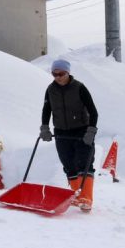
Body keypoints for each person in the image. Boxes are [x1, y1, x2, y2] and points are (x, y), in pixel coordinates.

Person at [40, 59, 99, 212]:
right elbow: (46, 110)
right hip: (61, 132)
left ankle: (86, 198)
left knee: (84, 163)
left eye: (61, 73)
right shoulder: (50, 89)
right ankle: (76, 196)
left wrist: (91, 131)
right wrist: (45, 128)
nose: (58, 77)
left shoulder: (79, 88)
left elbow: (93, 111)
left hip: (81, 130)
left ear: (68, 72)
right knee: (68, 165)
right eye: (54, 74)